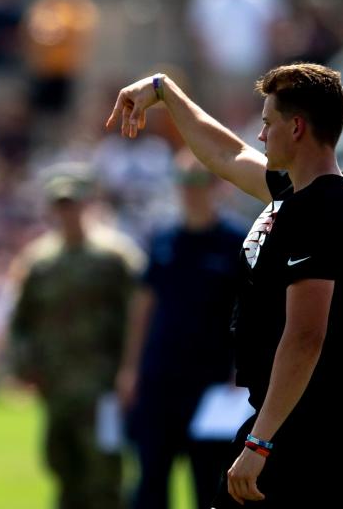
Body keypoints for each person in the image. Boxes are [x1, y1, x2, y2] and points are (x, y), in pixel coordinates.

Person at [106, 63, 343, 507]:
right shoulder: (297, 194)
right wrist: (164, 92)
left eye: (268, 124)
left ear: (298, 127)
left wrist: (260, 443)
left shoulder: (324, 207)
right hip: (288, 423)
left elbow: (306, 336)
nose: (262, 135)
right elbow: (226, 156)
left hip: (312, 432)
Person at [10, 164, 145, 509]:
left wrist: (131, 369)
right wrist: (25, 366)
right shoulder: (39, 261)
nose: (67, 211)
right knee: (62, 468)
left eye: (73, 203)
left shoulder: (115, 257)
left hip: (103, 386)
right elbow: (21, 322)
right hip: (57, 386)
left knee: (104, 473)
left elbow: (140, 316)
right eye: (61, 205)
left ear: (87, 204)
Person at [118, 149, 247, 509]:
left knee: (209, 483)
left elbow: (251, 313)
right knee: (150, 482)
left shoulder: (236, 242)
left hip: (212, 383)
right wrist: (130, 369)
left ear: (216, 185)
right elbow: (143, 308)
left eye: (198, 182)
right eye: (183, 182)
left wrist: (240, 374)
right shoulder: (164, 239)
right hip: (160, 380)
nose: (190, 190)